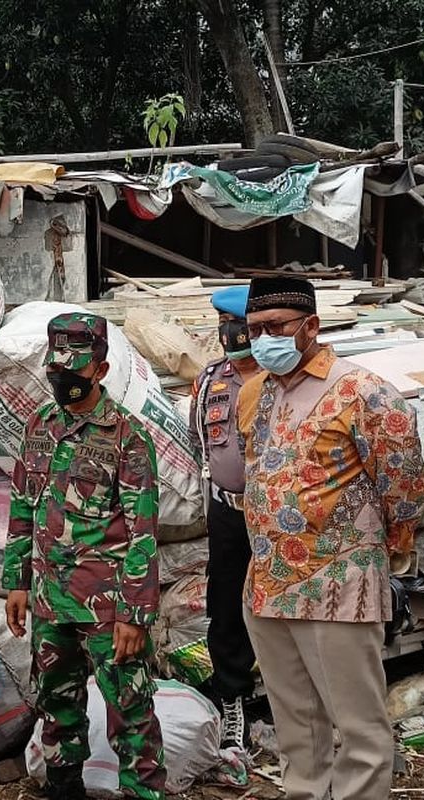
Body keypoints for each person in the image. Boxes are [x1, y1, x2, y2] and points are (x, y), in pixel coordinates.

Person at [236, 276, 424, 800]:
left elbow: (405, 484)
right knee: (297, 725)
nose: (261, 339)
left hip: (339, 583)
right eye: (253, 329)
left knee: (358, 725)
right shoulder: (256, 393)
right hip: (269, 582)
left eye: (274, 327)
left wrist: (379, 549)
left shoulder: (362, 390)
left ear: (312, 326)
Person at [3, 312, 166, 800]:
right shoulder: (40, 425)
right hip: (51, 602)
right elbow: (21, 506)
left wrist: (135, 614)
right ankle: (63, 789)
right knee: (56, 707)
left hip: (108, 608)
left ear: (99, 369)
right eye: (55, 374)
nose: (62, 383)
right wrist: (17, 581)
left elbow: (143, 532)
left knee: (130, 713)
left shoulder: (127, 437)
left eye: (72, 375)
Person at [188, 285, 260, 749]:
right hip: (227, 512)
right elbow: (200, 442)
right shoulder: (210, 380)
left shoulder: (280, 378)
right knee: (226, 605)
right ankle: (231, 701)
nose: (230, 334)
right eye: (224, 326)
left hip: (276, 513)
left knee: (282, 605)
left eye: (239, 326)